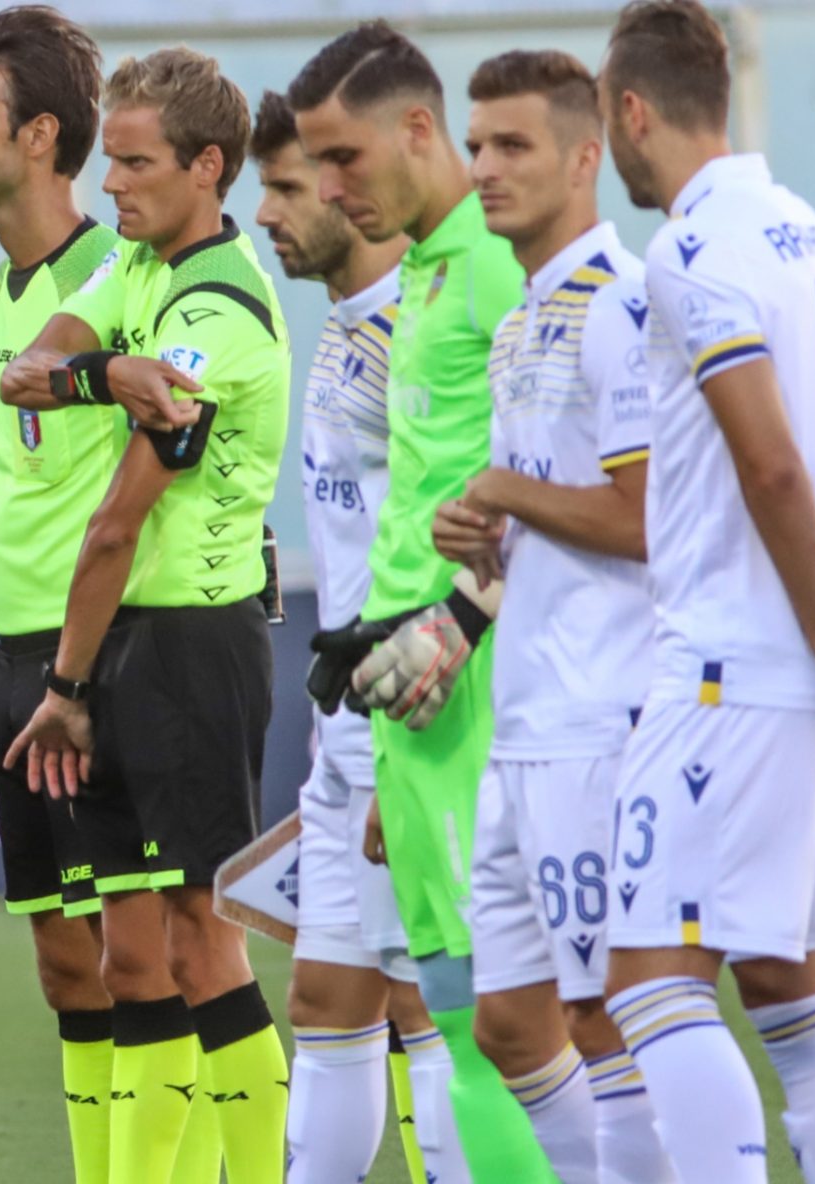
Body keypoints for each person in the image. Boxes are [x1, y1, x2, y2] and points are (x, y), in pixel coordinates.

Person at [597, 4, 815, 1179]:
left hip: (730, 668)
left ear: (631, 109)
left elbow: (770, 458)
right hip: (810, 687)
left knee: (648, 982)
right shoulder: (808, 235)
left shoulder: (686, 251)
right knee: (796, 986)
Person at [0, 46, 290, 1184]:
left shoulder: (215, 313)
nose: (107, 184)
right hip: (127, 645)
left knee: (203, 941)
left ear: (207, 166)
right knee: (145, 953)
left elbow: (118, 524)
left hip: (187, 648)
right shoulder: (136, 266)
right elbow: (32, 370)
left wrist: (65, 689)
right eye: (108, 159)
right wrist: (100, 373)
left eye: (133, 163)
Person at [284, 26, 552, 1181]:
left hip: (472, 687)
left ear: (415, 130)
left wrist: (468, 617)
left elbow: (560, 471)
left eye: (342, 159)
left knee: (498, 1027)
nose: (334, 190)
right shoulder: (431, 270)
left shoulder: (494, 270)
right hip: (409, 701)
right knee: (453, 1008)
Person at [437, 49, 677, 1184]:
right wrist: (481, 545)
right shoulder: (521, 319)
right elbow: (540, 507)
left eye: (512, 144)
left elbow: (643, 517)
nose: (482, 167)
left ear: (587, 156)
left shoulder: (621, 308)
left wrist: (502, 493)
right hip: (522, 716)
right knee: (509, 1024)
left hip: (597, 713)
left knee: (603, 1015)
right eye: (476, 143)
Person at [244, 92, 466, 1184]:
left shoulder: (419, 331)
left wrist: (399, 759)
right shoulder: (338, 327)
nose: (273, 210)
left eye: (291, 186)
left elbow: (452, 545)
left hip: (412, 722)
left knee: (435, 1008)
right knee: (326, 1002)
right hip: (348, 725)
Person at [0, 10, 126, 1182]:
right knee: (66, 968)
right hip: (15, 651)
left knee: (156, 955)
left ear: (38, 134)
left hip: (102, 658)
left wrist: (78, 673)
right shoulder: (5, 293)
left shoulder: (118, 277)